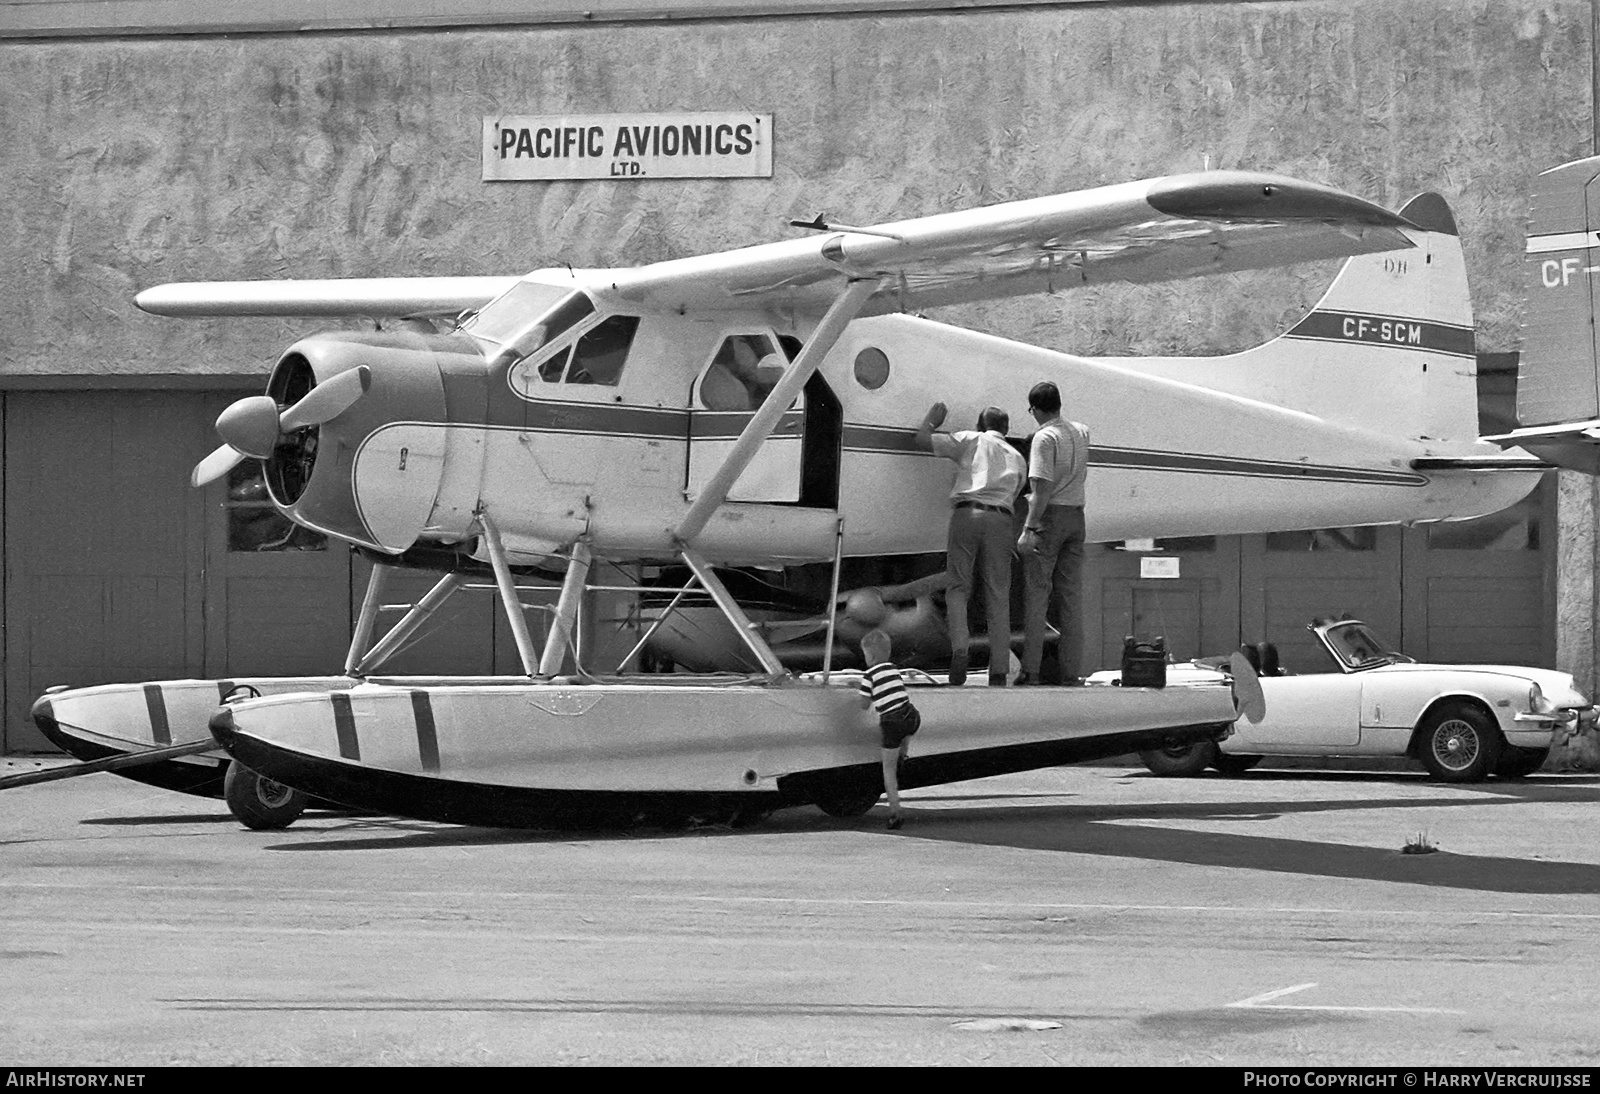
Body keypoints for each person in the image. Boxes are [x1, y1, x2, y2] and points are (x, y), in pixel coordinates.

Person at [915, 402, 1026, 686]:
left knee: (958, 586)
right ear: (1007, 429)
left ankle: (960, 651)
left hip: (967, 514)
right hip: (1001, 520)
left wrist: (932, 420)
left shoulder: (970, 439)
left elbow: (921, 440)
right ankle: (999, 668)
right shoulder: (1017, 457)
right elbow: (1017, 493)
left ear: (980, 425)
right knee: (998, 595)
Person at [1017, 380, 1089, 686]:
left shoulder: (1044, 439)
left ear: (1035, 409)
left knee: (1037, 596)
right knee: (1071, 598)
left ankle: (1030, 671)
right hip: (1077, 516)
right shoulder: (1082, 431)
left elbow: (1042, 488)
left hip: (1051, 519)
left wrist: (1029, 528)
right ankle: (1071, 672)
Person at [857, 629, 920, 830]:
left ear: (871, 656)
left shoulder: (869, 675)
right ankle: (904, 752)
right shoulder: (893, 669)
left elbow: (863, 705)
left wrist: (859, 689)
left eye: (865, 655)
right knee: (906, 731)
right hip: (911, 715)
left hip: (891, 721)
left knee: (888, 770)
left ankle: (895, 813)